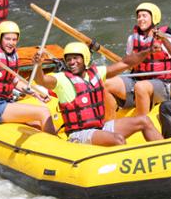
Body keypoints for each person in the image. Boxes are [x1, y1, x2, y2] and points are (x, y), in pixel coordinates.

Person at [33, 42, 164, 146]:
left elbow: (126, 63)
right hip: (79, 134)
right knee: (117, 139)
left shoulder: (96, 73)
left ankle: (164, 153)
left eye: (75, 58)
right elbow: (41, 80)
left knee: (144, 121)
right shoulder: (61, 79)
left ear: (85, 58)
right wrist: (38, 66)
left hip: (101, 127)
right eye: (68, 60)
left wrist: (148, 51)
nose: (72, 62)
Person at [0, 21, 56, 135]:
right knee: (43, 112)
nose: (11, 43)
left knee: (37, 125)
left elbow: (15, 82)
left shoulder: (13, 55)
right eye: (7, 39)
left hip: (8, 102)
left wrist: (34, 93)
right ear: (0, 38)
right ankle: (55, 145)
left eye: (14, 39)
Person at [104, 2, 171, 117]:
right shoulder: (132, 39)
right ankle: (109, 124)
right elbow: (129, 63)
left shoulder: (167, 39)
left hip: (162, 85)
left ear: (154, 18)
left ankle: (142, 124)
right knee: (106, 83)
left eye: (144, 16)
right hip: (136, 80)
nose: (140, 19)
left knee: (141, 87)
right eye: (138, 16)